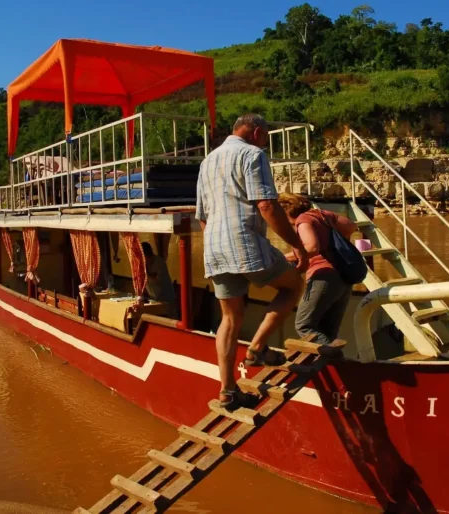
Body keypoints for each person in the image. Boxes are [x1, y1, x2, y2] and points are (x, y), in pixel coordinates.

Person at [196, 114, 308, 411]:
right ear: (257, 132)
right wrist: (297, 246)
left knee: (230, 320)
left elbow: (203, 217)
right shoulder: (252, 154)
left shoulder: (207, 162)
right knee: (293, 285)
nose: (266, 144)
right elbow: (267, 205)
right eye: (266, 138)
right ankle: (257, 348)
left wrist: (214, 247)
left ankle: (227, 390)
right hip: (244, 242)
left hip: (214, 248)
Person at [278, 193, 357, 347]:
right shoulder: (322, 215)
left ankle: (334, 356)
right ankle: (335, 364)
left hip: (324, 276)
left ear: (285, 211)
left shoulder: (303, 220)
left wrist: (283, 258)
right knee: (328, 331)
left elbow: (312, 247)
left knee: (304, 324)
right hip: (343, 277)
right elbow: (351, 225)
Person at [141, 242, 177, 319]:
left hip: (165, 299)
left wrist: (146, 274)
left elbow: (158, 279)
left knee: (169, 320)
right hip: (153, 299)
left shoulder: (159, 262)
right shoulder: (143, 264)